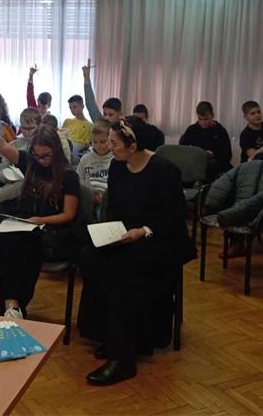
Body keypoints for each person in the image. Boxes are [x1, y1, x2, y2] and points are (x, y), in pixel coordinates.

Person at [78, 116, 196, 386]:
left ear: (133, 147)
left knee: (122, 271)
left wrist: (143, 231)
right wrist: (111, 233)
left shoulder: (164, 170)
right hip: (128, 236)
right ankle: (109, 334)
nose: (109, 147)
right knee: (89, 257)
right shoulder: (118, 166)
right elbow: (115, 208)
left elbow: (174, 217)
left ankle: (123, 357)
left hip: (161, 241)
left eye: (114, 143)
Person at [0, 104, 81, 319]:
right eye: (37, 156)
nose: (41, 160)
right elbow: (1, 145)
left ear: (56, 151)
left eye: (46, 156)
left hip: (50, 229)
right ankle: (13, 306)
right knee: (5, 232)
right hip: (26, 223)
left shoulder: (68, 176)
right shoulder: (32, 163)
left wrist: (39, 220)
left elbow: (68, 215)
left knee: (12, 243)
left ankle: (11, 306)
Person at [179, 101, 232, 179]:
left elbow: (227, 155)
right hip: (194, 163)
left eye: (206, 119)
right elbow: (181, 150)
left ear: (212, 116)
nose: (203, 122)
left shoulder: (220, 131)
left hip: (215, 164)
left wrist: (213, 155)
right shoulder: (192, 130)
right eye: (200, 119)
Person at [0, 108, 42, 185]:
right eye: (24, 128)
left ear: (39, 127)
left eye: (31, 128)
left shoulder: (45, 144)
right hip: (15, 183)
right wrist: (9, 178)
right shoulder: (13, 145)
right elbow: (1, 170)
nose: (27, 132)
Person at [77, 120, 113, 206]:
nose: (98, 146)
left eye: (103, 142)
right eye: (95, 142)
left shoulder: (115, 158)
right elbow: (78, 179)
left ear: (111, 140)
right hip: (89, 196)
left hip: (109, 196)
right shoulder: (85, 159)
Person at [82, 59, 124, 124]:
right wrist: (86, 77)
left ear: (120, 114)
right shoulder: (102, 123)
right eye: (105, 114)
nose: (107, 118)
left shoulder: (125, 129)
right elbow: (90, 104)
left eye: (111, 115)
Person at [62, 94, 92, 164]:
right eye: (70, 108)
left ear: (82, 106)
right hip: (65, 142)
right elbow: (61, 134)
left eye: (74, 107)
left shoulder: (89, 125)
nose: (72, 110)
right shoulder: (67, 121)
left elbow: (87, 143)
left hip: (77, 145)